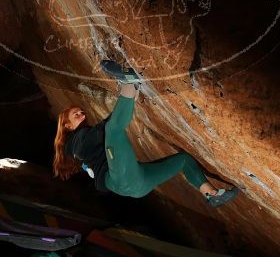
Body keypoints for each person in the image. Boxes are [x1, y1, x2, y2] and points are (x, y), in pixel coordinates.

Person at [53, 60, 239, 207]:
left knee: (183, 160)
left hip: (138, 185)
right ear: (67, 125)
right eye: (75, 114)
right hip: (121, 179)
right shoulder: (75, 143)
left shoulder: (84, 140)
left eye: (81, 111)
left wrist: (124, 103)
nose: (82, 114)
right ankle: (130, 82)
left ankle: (213, 195)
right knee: (113, 129)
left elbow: (103, 131)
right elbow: (104, 131)